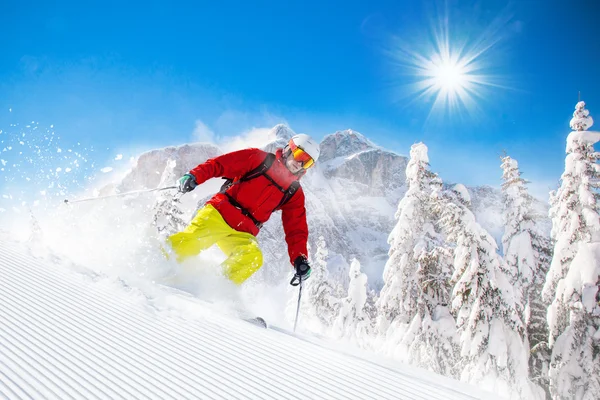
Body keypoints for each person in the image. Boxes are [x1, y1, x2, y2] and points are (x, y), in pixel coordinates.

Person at [166, 134, 320, 285]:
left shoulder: (294, 192)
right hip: (220, 213)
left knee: (252, 258)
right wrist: (194, 176)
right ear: (289, 149)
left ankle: (213, 285)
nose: (299, 164)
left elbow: (296, 228)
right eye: (300, 156)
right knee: (191, 241)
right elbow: (221, 164)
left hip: (244, 231)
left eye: (306, 163)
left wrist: (299, 258)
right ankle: (157, 261)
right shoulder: (260, 159)